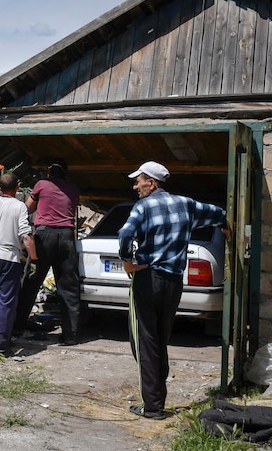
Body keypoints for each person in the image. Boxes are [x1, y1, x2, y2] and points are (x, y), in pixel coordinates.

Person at [118, 161, 229, 420]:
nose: (135, 186)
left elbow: (125, 234)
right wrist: (225, 225)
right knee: (160, 336)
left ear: (152, 183)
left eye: (139, 181)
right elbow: (217, 212)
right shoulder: (187, 204)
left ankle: (153, 406)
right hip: (173, 283)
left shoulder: (143, 207)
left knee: (144, 340)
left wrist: (127, 262)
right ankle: (157, 395)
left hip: (147, 278)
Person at [15, 159, 82, 345]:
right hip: (67, 237)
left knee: (31, 282)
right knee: (68, 287)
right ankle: (71, 335)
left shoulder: (42, 184)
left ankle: (17, 326)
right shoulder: (74, 188)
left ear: (49, 172)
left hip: (45, 236)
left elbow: (27, 208)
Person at [0, 172, 37, 355]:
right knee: (7, 302)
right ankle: (1, 346)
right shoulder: (20, 207)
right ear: (18, 188)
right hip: (9, 258)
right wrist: (34, 258)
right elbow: (26, 236)